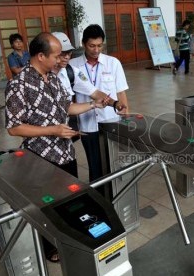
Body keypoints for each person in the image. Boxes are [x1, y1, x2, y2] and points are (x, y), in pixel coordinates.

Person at [5, 32, 99, 262]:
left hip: (66, 153)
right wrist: (53, 130)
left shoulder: (54, 78)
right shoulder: (18, 85)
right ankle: (50, 247)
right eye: (56, 56)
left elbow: (66, 107)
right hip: (40, 158)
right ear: (40, 56)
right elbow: (14, 128)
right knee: (47, 207)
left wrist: (95, 103)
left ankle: (71, 239)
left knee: (70, 201)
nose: (60, 60)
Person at [69, 24, 129, 183]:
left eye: (99, 45)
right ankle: (99, 197)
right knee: (94, 166)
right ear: (83, 44)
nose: (96, 50)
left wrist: (125, 119)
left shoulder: (113, 63)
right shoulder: (73, 66)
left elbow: (121, 92)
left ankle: (115, 195)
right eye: (91, 46)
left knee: (112, 164)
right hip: (87, 125)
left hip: (110, 122)